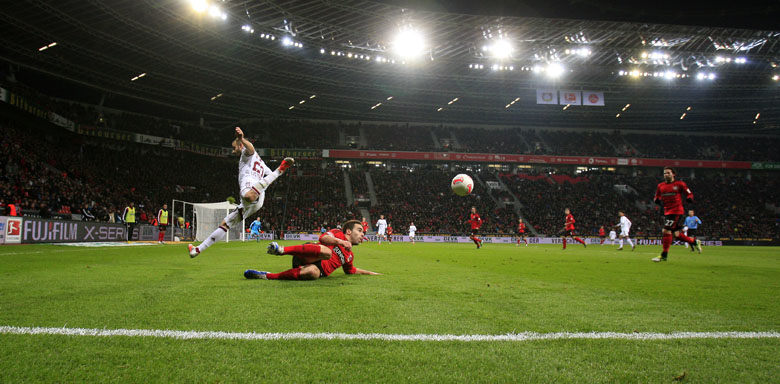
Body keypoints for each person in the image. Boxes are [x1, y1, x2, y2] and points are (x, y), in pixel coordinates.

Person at [188, 127, 294, 258]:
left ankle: (280, 170)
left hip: (250, 187)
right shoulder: (260, 161)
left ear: (240, 145)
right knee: (225, 224)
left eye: (234, 147)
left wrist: (241, 138)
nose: (233, 150)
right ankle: (197, 250)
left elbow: (251, 149)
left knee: (248, 196)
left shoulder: (246, 153)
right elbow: (268, 173)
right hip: (258, 198)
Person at [244, 219, 380, 280]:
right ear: (349, 231)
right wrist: (340, 242)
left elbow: (351, 271)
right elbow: (323, 239)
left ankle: (266, 275)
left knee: (313, 273)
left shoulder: (350, 256)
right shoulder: (337, 233)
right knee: (328, 252)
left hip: (316, 268)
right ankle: (281, 249)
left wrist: (372, 273)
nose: (363, 234)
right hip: (309, 254)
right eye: (360, 230)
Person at [652, 167, 702, 262]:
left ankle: (664, 255)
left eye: (668, 173)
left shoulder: (679, 184)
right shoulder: (660, 186)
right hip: (667, 212)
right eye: (664, 173)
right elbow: (656, 196)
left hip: (676, 211)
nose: (666, 175)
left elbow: (689, 193)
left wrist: (689, 198)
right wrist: (657, 200)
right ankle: (694, 242)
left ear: (673, 174)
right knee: (677, 234)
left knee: (666, 231)